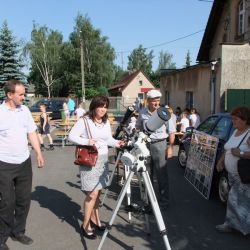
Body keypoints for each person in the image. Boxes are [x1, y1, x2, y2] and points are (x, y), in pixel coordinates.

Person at [68, 95, 124, 240]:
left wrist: (118, 143)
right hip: (90, 160)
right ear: (94, 106)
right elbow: (71, 136)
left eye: (105, 107)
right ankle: (85, 225)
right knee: (92, 194)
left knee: (98, 193)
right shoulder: (85, 121)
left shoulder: (105, 122)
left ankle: (96, 219)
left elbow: (108, 139)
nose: (103, 109)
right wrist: (87, 141)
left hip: (103, 160)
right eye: (100, 106)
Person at [0, 80, 45, 250]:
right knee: (6, 202)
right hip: (3, 164)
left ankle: (18, 231)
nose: (24, 97)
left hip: (23, 162)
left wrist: (38, 153)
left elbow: (31, 132)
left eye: (24, 93)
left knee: (24, 200)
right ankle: (1, 237)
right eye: (20, 94)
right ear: (10, 95)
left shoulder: (24, 110)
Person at [136, 90, 176, 208]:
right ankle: (147, 201)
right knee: (146, 173)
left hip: (160, 144)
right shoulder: (142, 113)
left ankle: (164, 202)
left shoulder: (164, 113)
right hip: (146, 144)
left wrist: (170, 147)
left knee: (161, 175)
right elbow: (138, 127)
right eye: (154, 101)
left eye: (158, 100)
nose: (156, 103)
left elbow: (172, 131)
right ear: (148, 101)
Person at [216, 106, 250, 235]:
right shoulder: (235, 132)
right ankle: (236, 226)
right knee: (238, 202)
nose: (233, 122)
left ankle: (231, 225)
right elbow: (228, 149)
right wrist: (221, 161)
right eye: (232, 119)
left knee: (235, 200)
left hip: (243, 176)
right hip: (232, 174)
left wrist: (241, 153)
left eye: (236, 119)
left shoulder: (248, 134)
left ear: (245, 120)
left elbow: (237, 151)